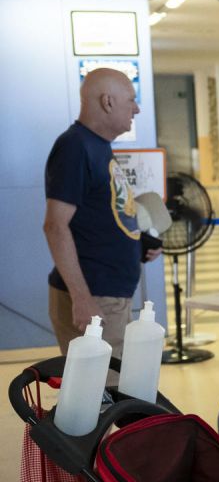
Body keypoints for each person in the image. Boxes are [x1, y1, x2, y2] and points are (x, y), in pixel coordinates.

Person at [43, 67, 161, 356]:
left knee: (114, 391)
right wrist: (82, 298)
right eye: (131, 100)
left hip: (109, 295)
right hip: (94, 296)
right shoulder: (75, 146)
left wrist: (136, 241)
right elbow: (56, 226)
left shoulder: (97, 147)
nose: (137, 108)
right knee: (104, 396)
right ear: (108, 102)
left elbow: (101, 213)